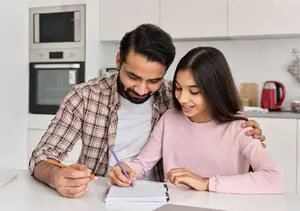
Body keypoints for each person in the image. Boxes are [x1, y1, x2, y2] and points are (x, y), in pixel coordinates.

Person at [29, 24, 266, 198]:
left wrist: (242, 125)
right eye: (133, 76)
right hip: (99, 197)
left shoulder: (177, 96)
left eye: (154, 80)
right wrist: (55, 176)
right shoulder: (84, 97)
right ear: (119, 60)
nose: (142, 89)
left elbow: (218, 113)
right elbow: (41, 156)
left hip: (164, 198)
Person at [108, 46, 284, 194]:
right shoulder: (169, 119)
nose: (183, 99)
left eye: (194, 92)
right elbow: (142, 164)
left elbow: (274, 178)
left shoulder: (240, 128)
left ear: (215, 90)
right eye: (178, 88)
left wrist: (206, 183)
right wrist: (127, 170)